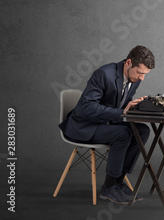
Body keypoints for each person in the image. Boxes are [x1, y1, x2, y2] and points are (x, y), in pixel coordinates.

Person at [59, 45, 155, 204]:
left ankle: (118, 181)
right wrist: (121, 112)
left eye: (145, 74)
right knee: (123, 134)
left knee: (143, 131)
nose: (142, 78)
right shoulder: (103, 74)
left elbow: (121, 104)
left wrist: (136, 106)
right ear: (129, 62)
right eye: (140, 73)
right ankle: (108, 187)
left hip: (106, 123)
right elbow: (87, 107)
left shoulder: (135, 79)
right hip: (84, 126)